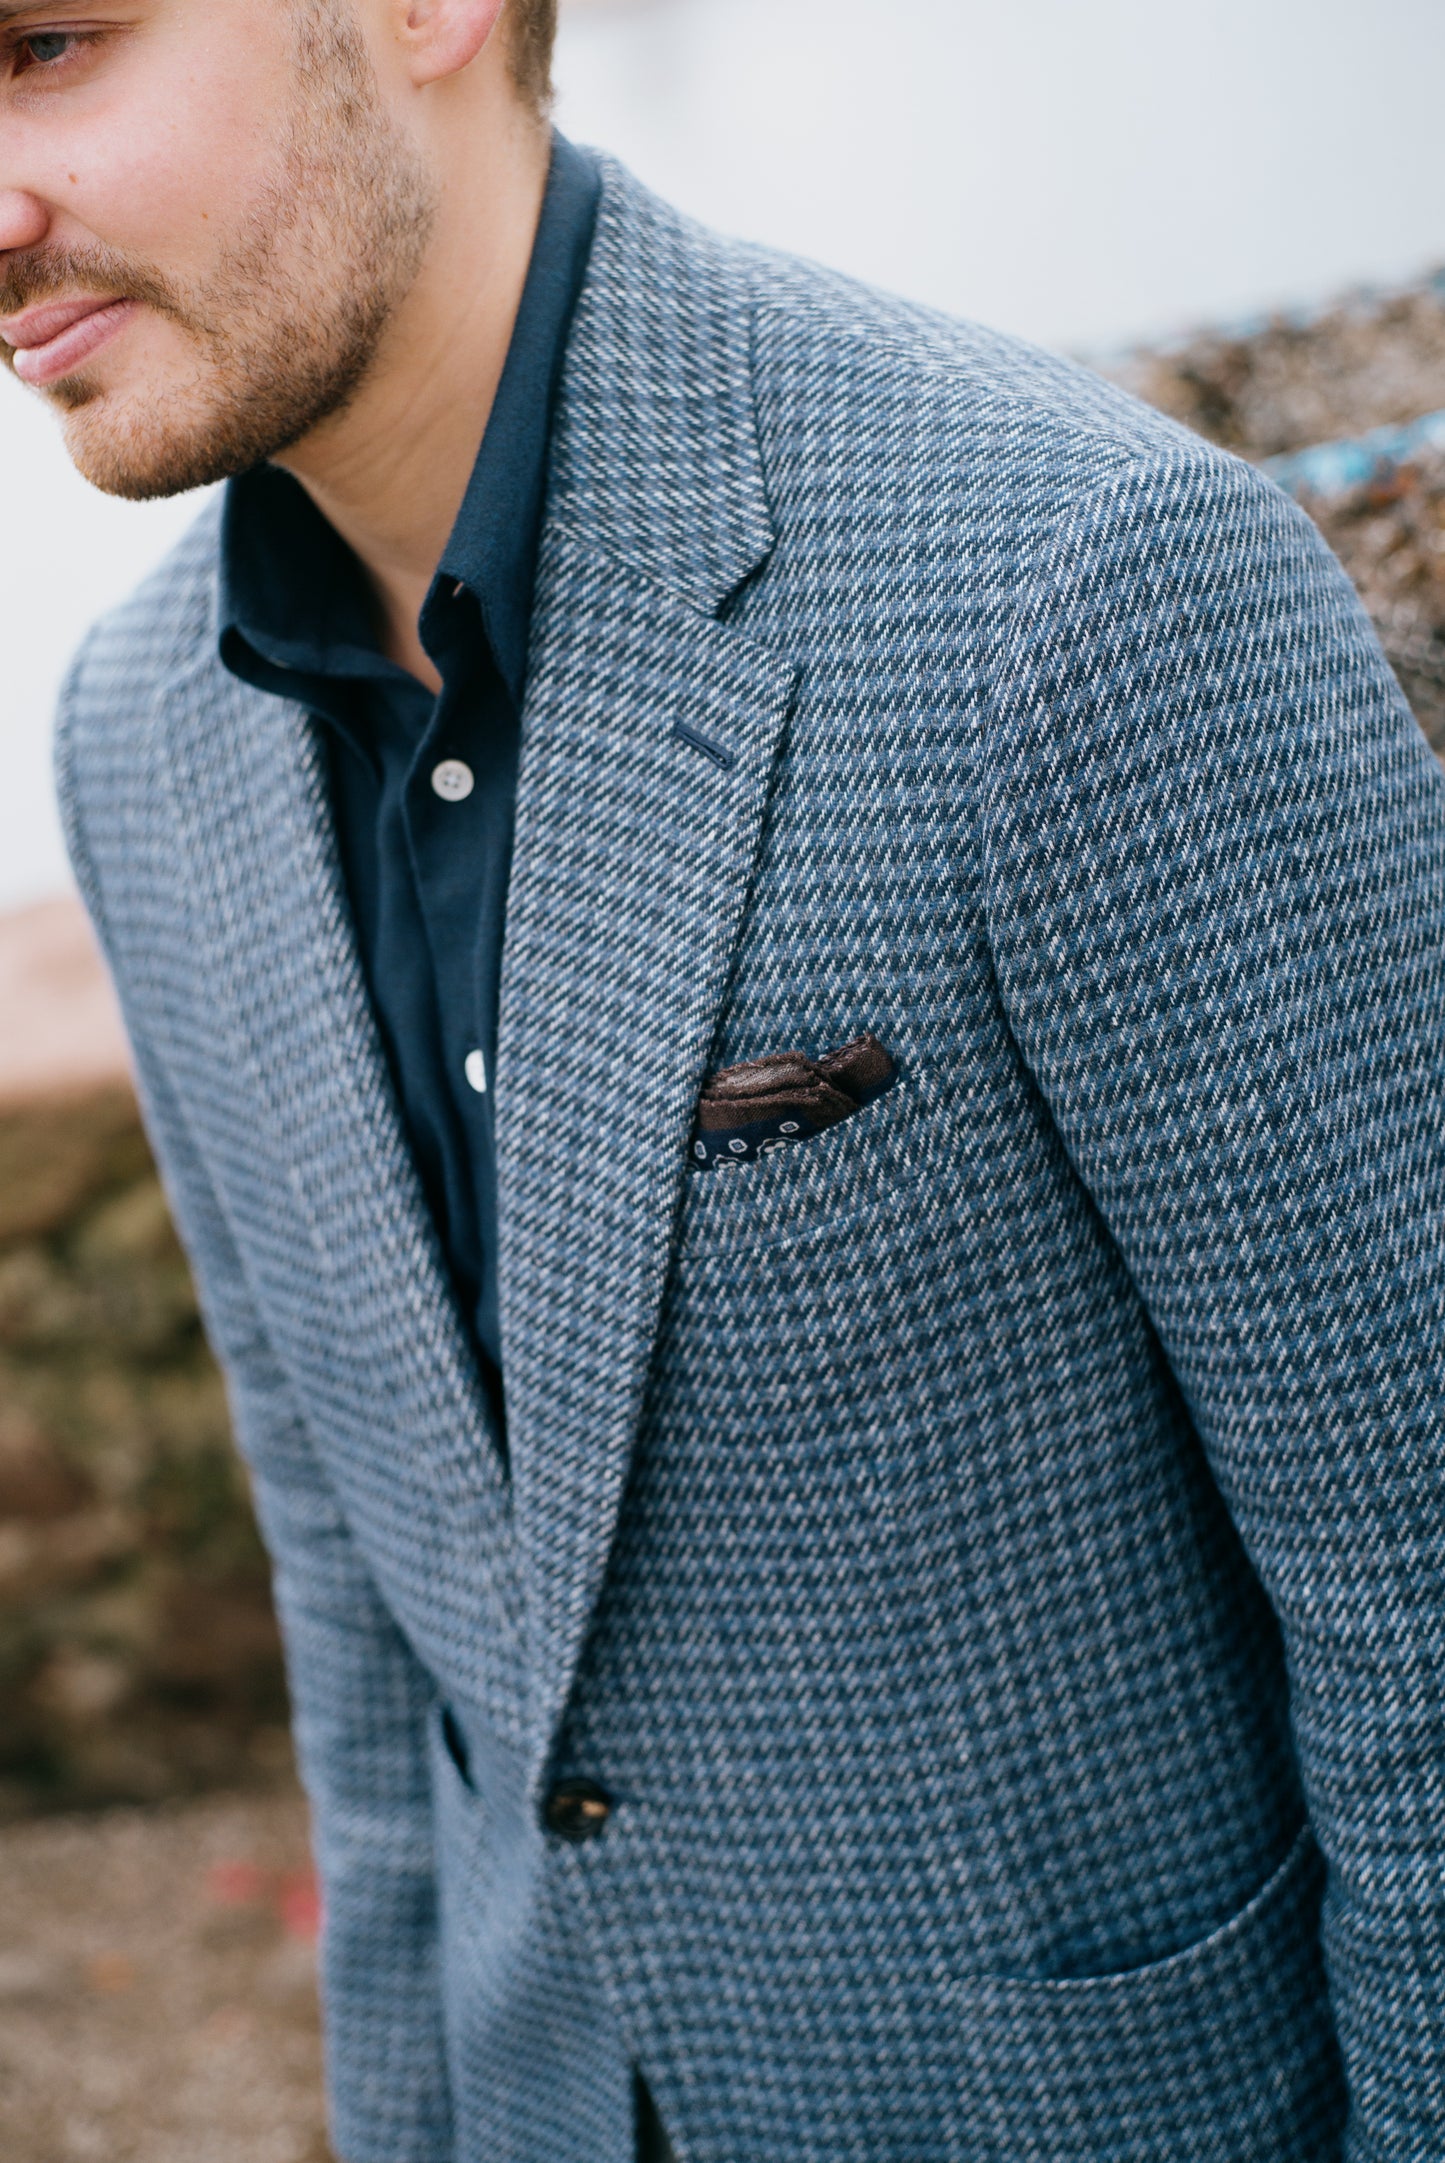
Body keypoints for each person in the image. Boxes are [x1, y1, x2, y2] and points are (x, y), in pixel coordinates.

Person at [5, 0, 1443, 2155]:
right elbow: (376, 1656)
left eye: (45, 48)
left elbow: (1419, 1610)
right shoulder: (141, 739)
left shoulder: (1077, 584)